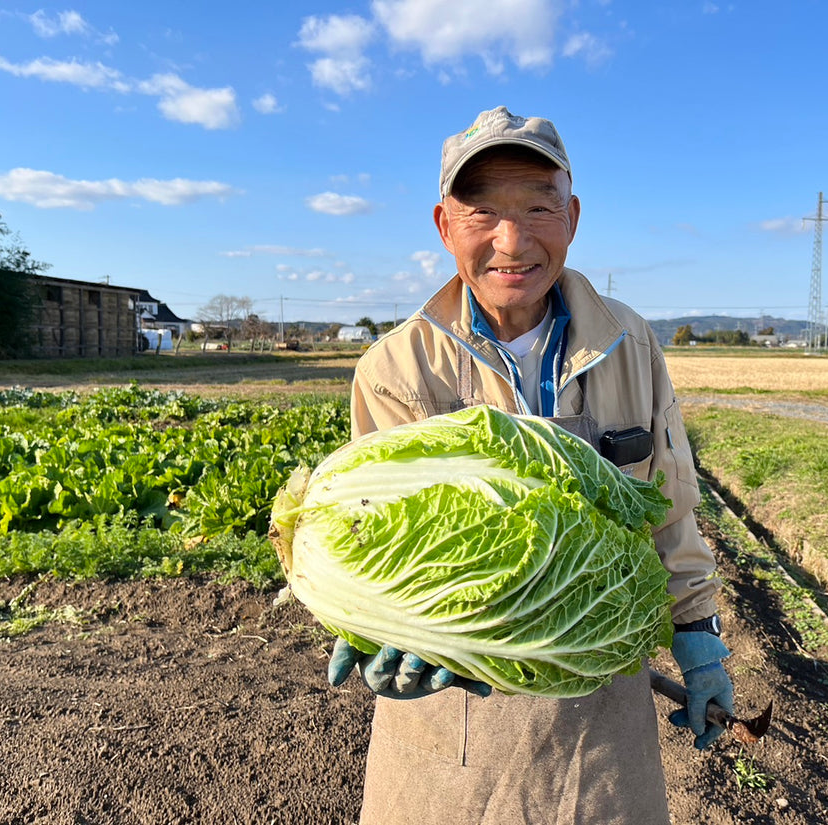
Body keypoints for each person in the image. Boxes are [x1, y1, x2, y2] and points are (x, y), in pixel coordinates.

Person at [327, 106, 733, 825]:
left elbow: (668, 503)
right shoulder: (397, 367)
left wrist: (697, 634)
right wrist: (378, 622)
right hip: (454, 713)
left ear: (572, 217)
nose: (510, 241)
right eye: (481, 211)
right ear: (443, 224)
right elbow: (375, 536)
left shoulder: (629, 343)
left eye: (537, 208)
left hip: (600, 710)